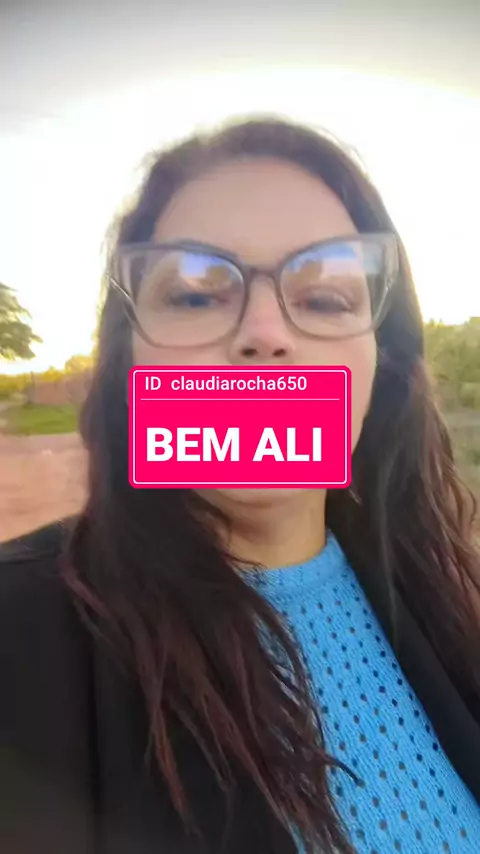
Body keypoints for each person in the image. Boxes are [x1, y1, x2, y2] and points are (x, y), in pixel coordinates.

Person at [1, 118, 479, 854]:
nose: (264, 331)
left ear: (380, 365)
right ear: (130, 358)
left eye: (325, 298)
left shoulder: (444, 595)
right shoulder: (16, 634)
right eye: (194, 297)